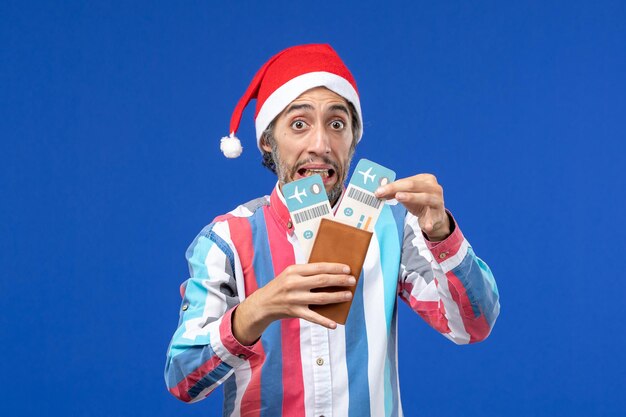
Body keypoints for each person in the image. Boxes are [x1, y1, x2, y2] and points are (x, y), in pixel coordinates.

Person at [164, 44, 500, 416]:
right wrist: (256, 311)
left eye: (337, 124)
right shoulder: (225, 241)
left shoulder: (391, 225)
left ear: (354, 137)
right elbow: (183, 380)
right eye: (299, 125)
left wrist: (440, 234)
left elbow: (474, 326)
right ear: (267, 141)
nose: (320, 145)